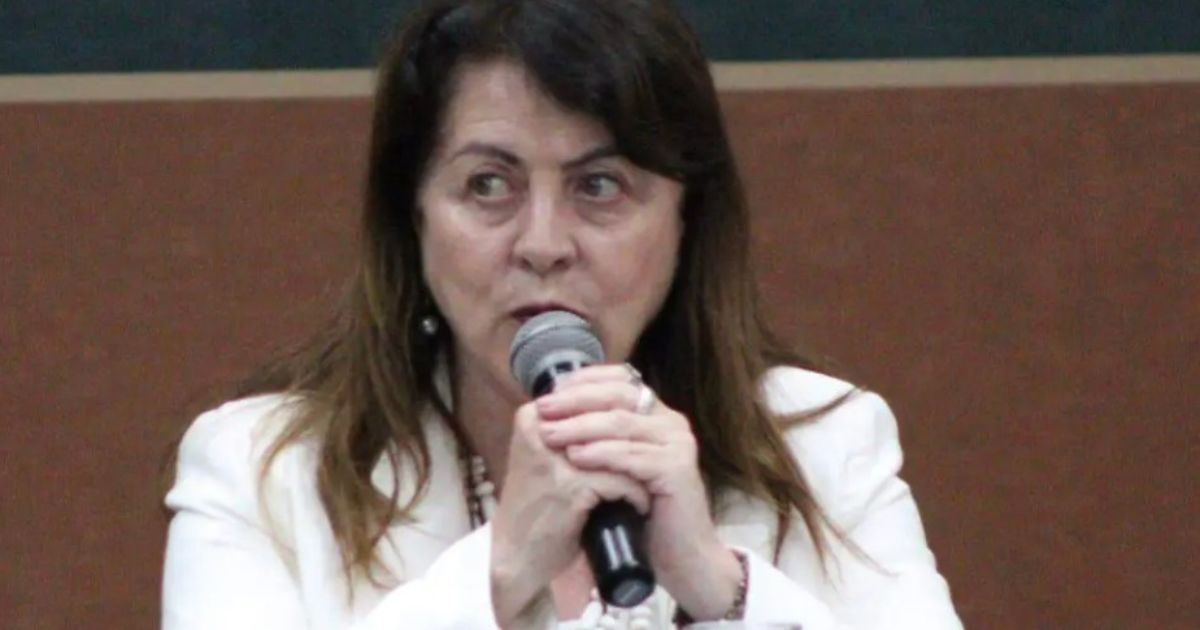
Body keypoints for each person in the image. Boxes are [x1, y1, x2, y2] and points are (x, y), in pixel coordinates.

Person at [161, 1, 963, 628]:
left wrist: (722, 589)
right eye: (488, 185)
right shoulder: (263, 474)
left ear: (686, 221)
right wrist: (500, 573)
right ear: (414, 218)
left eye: (599, 186)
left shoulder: (824, 447)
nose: (542, 244)